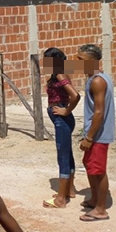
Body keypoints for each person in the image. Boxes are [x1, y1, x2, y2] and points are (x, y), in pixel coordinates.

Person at [77, 44, 116, 222]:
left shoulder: (97, 81)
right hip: (94, 133)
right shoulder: (95, 77)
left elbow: (99, 112)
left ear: (92, 61)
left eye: (81, 60)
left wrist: (89, 137)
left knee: (98, 171)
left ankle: (101, 210)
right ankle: (94, 199)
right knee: (90, 166)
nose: (78, 63)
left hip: (98, 135)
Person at [41, 48, 80, 209]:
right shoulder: (60, 73)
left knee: (63, 157)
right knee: (67, 154)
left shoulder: (59, 75)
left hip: (62, 120)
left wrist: (65, 110)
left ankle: (61, 200)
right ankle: (69, 190)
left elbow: (75, 95)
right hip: (63, 120)